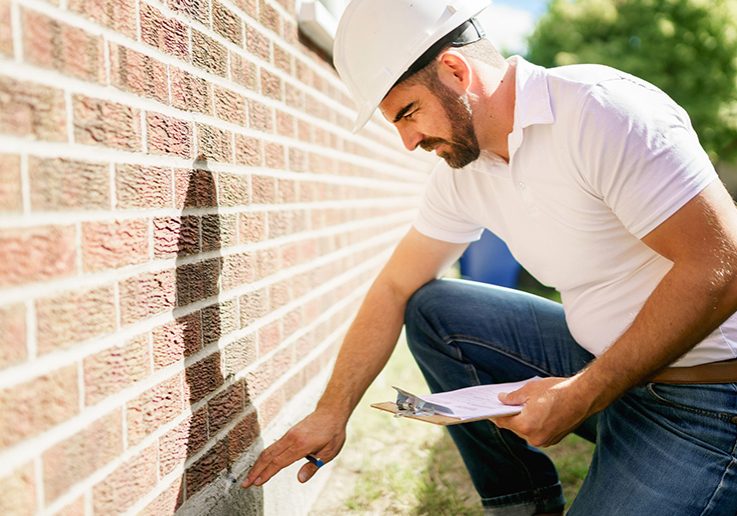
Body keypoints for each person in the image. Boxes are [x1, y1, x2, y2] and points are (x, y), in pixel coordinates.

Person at [242, 0, 737, 514]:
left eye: (408, 113)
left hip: (706, 397)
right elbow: (394, 287)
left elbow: (722, 269)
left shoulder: (601, 111)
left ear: (455, 70)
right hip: (602, 371)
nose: (409, 141)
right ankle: (524, 505)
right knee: (436, 310)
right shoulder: (464, 172)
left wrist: (583, 393)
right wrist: (331, 410)